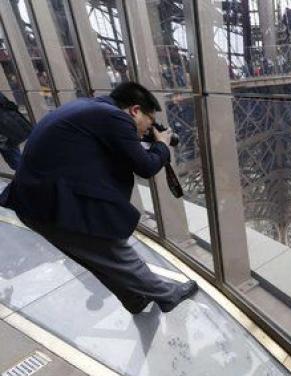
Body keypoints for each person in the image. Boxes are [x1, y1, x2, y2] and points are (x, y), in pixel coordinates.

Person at [0, 82, 198, 314]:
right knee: (114, 250)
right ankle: (168, 296)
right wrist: (162, 145)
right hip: (54, 205)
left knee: (98, 259)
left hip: (34, 202)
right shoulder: (116, 118)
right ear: (135, 110)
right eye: (150, 121)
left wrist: (140, 138)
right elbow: (145, 166)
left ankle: (134, 299)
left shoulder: (93, 108)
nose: (149, 128)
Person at [0, 92, 31, 170]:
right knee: (15, 158)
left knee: (15, 160)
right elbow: (9, 105)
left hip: (4, 130)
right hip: (7, 128)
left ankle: (31, 178)